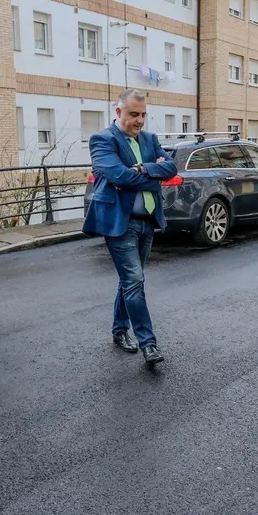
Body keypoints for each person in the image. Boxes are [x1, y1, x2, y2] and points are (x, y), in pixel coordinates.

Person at [82, 90, 178, 366]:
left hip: (147, 220)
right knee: (135, 281)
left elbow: (170, 168)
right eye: (133, 114)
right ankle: (149, 343)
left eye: (143, 114)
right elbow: (116, 174)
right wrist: (151, 174)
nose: (139, 120)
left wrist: (141, 170)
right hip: (120, 223)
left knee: (130, 281)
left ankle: (119, 329)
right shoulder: (103, 140)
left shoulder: (150, 139)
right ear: (118, 112)